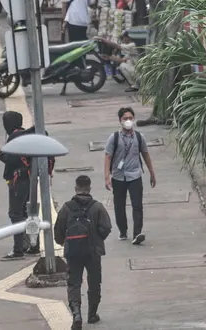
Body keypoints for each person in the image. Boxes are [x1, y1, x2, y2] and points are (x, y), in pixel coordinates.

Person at [54, 175, 111, 330]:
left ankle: (76, 314)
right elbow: (107, 227)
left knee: (74, 283)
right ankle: (92, 314)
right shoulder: (97, 207)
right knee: (94, 281)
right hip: (93, 251)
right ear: (89, 188)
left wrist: (65, 242)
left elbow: (58, 232)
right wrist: (97, 238)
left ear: (75, 188)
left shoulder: (66, 208)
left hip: (73, 252)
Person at [0, 111, 42, 260]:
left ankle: (18, 249)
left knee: (15, 214)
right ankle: (33, 245)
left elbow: (11, 160)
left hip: (18, 180)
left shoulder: (14, 137)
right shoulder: (25, 135)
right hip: (29, 177)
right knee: (28, 214)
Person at [103, 107, 156, 244]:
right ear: (120, 121)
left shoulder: (139, 137)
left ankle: (137, 233)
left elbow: (145, 154)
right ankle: (122, 230)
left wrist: (151, 172)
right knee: (119, 206)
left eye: (130, 118)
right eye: (125, 118)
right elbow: (108, 157)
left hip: (135, 176)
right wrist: (107, 177)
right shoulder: (114, 138)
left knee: (137, 205)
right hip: (119, 177)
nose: (128, 121)